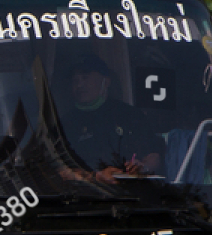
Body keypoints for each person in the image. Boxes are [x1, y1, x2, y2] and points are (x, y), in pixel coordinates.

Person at [56, 51, 159, 182]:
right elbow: (56, 169)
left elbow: (154, 154)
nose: (79, 85)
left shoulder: (130, 114)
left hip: (133, 194)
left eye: (85, 77)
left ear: (106, 81)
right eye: (75, 80)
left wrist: (142, 167)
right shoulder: (65, 124)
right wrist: (95, 177)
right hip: (86, 196)